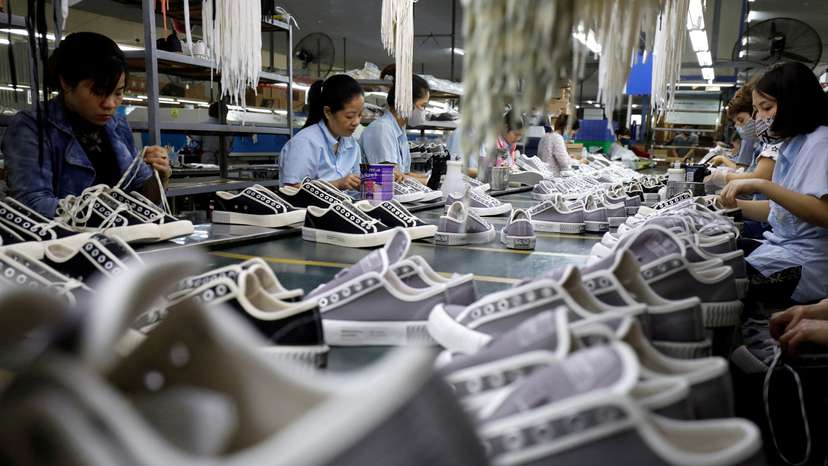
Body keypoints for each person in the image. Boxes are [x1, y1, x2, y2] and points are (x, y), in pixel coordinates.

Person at [2, 32, 170, 218]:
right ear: (66, 82)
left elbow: (141, 195)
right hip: (64, 244)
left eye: (118, 93)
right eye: (98, 92)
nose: (110, 104)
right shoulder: (32, 127)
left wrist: (159, 178)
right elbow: (31, 205)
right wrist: (108, 211)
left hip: (121, 239)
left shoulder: (117, 125)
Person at [720, 61, 828, 305]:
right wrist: (727, 204)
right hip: (782, 248)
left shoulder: (820, 143)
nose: (759, 118)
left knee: (719, 285)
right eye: (757, 110)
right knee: (709, 254)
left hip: (806, 265)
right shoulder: (792, 144)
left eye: (766, 108)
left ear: (794, 103)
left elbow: (823, 212)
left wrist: (762, 185)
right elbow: (781, 210)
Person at [280, 74, 364, 189]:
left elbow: (358, 183)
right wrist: (337, 184)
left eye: (360, 115)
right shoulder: (305, 143)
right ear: (328, 112)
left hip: (345, 206)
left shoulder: (353, 145)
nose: (356, 122)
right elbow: (291, 189)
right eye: (350, 116)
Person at [360, 72, 430, 182]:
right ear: (406, 103)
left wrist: (431, 178)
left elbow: (402, 174)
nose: (423, 111)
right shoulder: (382, 129)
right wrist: (429, 182)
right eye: (422, 105)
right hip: (379, 196)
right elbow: (390, 178)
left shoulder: (399, 130)